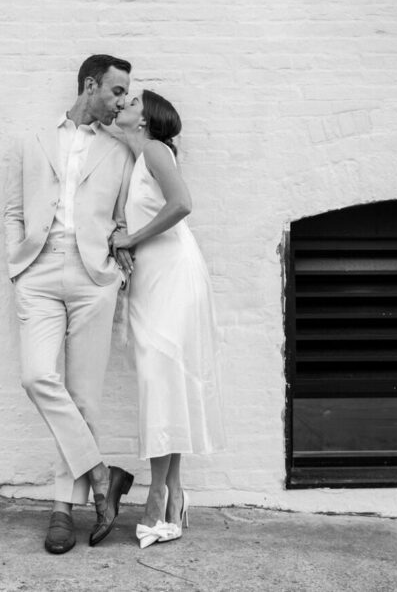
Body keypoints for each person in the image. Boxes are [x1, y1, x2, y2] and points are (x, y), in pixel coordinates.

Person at [3, 54, 137, 554]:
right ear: (90, 85)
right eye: (117, 91)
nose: (122, 101)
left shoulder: (120, 152)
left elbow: (123, 216)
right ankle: (103, 477)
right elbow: (14, 210)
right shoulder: (33, 138)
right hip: (37, 272)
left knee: (84, 399)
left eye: (126, 94)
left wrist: (117, 264)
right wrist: (17, 268)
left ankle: (62, 510)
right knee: (37, 376)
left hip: (92, 278)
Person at [110, 89, 226, 549]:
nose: (124, 103)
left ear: (147, 119)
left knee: (161, 380)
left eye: (133, 101)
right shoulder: (139, 157)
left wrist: (131, 238)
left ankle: (158, 493)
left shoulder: (156, 150)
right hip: (156, 278)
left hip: (172, 275)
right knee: (165, 382)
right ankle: (175, 491)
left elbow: (182, 204)